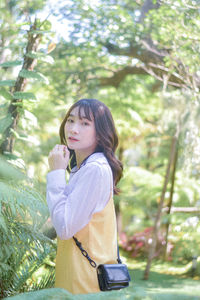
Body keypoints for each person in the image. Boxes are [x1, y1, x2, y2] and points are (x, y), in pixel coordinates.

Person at [46, 98, 123, 294]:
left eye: (85, 123)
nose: (73, 129)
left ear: (101, 133)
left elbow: (64, 228)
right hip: (76, 276)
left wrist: (56, 173)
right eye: (70, 120)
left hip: (85, 283)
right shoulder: (82, 168)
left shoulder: (95, 169)